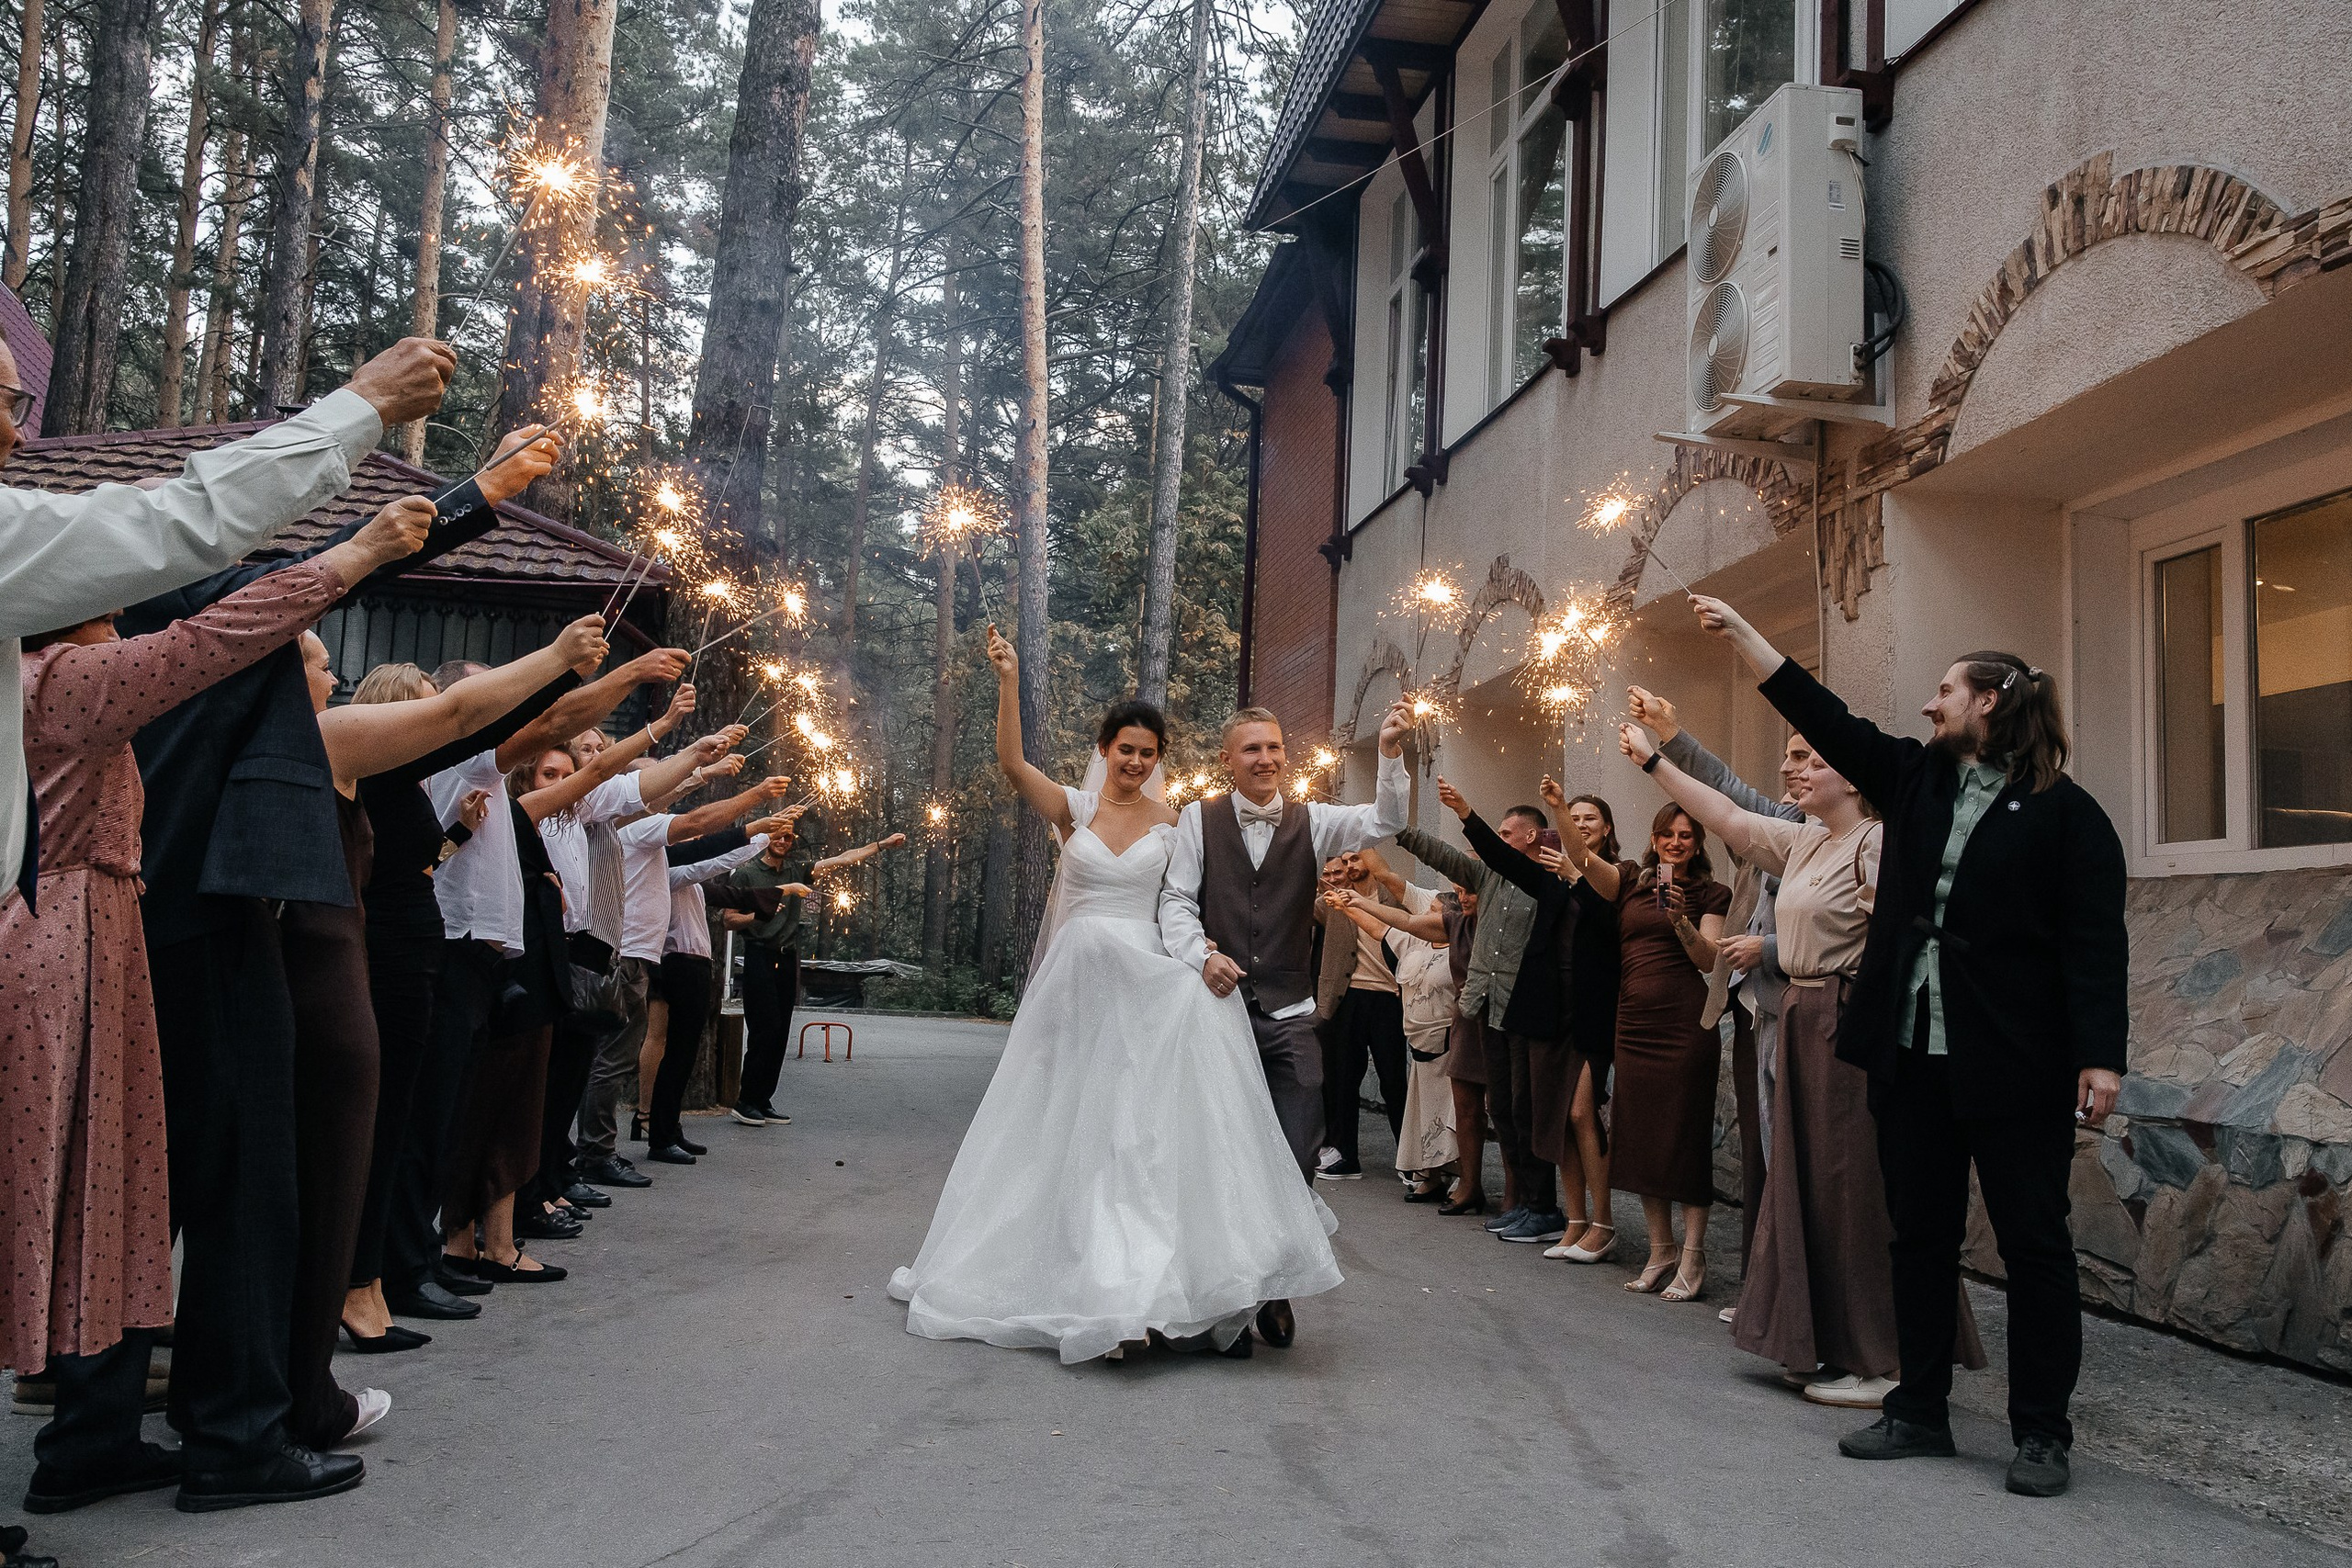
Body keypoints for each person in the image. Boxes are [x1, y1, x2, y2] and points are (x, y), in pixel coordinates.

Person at [2, 502, 433, 1521]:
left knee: (107, 1201)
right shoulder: (80, 671)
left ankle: (91, 1438)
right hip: (117, 942)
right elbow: (224, 623)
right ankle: (236, 1438)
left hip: (117, 933)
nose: (314, 678)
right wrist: (378, 540)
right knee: (238, 1181)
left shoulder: (58, 666)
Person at [1690, 592, 2127, 1498]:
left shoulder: (2067, 816)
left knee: (2033, 1247)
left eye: (1944, 691)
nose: (1929, 705)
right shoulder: (1915, 781)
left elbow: (2094, 943)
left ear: (1990, 704)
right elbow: (1823, 715)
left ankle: (2042, 1433)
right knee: (1917, 1238)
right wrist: (1743, 636)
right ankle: (1918, 1410)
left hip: (2014, 1066)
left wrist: (2099, 1055)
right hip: (1910, 1060)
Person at [889, 630, 1350, 1364]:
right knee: (1065, 1127)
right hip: (1078, 983)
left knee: (1138, 1134)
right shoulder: (1072, 809)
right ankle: (1077, 1274)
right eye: (1125, 749)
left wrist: (1215, 952)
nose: (1135, 762)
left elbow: (1194, 897)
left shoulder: (1178, 823)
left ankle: (1170, 1284)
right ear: (1104, 749)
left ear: (1158, 760)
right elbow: (1011, 765)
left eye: (1148, 753)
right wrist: (1010, 680)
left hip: (1146, 979)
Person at [0, 335, 456, 896]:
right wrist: (367, 404)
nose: (19, 434)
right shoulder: (68, 679)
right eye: (7, 401)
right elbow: (194, 552)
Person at [1157, 692, 1413, 1351]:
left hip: (1291, 1012)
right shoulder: (1197, 818)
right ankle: (1229, 1303)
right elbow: (1176, 901)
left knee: (1298, 1149)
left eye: (1274, 747)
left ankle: (1271, 1284)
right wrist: (1202, 954)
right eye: (1252, 748)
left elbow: (1385, 820)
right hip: (1216, 1013)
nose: (1266, 758)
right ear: (1227, 761)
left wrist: (1389, 755)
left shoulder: (1315, 820)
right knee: (1219, 1157)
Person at [1633, 685, 1803, 1312]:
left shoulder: (1836, 837)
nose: (1788, 773)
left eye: (1805, 759)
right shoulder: (1785, 827)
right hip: (1754, 1010)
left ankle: (1784, 1294)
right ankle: (1765, 1286)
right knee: (1762, 1154)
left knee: (1791, 1156)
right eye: (1788, 759)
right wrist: (1666, 747)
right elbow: (1727, 800)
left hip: (1803, 1012)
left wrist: (1770, 950)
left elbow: (1843, 932)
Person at [578, 760, 790, 1187]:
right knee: (611, 1060)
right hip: (630, 955)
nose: (667, 792)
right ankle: (595, 1152)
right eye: (656, 784)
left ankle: (607, 1147)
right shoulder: (635, 831)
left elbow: (701, 858)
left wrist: (761, 833)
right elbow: (698, 837)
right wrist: (757, 813)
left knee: (613, 1059)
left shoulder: (646, 842)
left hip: (641, 957)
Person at [1557, 797, 1729, 1302]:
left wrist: (1681, 920)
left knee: (1685, 1139)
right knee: (1642, 1138)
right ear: (1653, 839)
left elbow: (1707, 960)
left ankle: (1692, 1256)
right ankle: (1661, 1250)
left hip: (1685, 1026)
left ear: (1698, 844)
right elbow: (1582, 860)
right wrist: (1557, 808)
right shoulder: (1630, 880)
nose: (1676, 843)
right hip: (1632, 1026)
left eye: (1686, 836)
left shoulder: (1711, 892)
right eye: (1667, 835)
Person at [1396, 801, 1560, 1238]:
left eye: (1508, 833)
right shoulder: (1487, 877)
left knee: (1525, 1108)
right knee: (1502, 1108)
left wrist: (1469, 811)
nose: (1500, 839)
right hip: (1482, 1006)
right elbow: (1445, 856)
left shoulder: (1548, 878)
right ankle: (1524, 1204)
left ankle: (1535, 1202)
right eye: (1499, 832)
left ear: (1532, 836)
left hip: (1524, 1008)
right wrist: (1399, 828)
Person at [726, 818, 910, 1127]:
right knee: (764, 1028)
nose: (783, 841)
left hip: (787, 958)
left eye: (789, 837)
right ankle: (745, 1101)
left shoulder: (796, 870)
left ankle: (762, 1099)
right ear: (767, 837)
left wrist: (881, 844)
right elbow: (729, 920)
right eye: (778, 836)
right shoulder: (747, 873)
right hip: (760, 955)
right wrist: (760, 912)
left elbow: (843, 858)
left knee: (782, 1030)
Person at [642, 818, 806, 1163]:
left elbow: (729, 893)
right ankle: (658, 1135)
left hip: (695, 965)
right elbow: (718, 863)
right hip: (680, 964)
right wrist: (762, 835)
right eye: (693, 839)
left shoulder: (693, 883)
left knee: (683, 1055)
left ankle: (668, 1128)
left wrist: (780, 890)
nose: (699, 842)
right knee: (675, 1054)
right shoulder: (671, 873)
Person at [1324, 873, 1462, 1198]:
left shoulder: (1461, 948)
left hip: (1448, 1044)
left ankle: (1462, 1178)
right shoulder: (1417, 941)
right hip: (1420, 1044)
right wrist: (1347, 907)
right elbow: (1381, 930)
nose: (1424, 916)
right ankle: (1429, 1173)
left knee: (1453, 1113)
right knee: (1423, 1113)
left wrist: (1356, 901)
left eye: (1433, 911)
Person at [1310, 850, 1407, 1181]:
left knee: (1394, 1081)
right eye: (1346, 861)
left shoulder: (1395, 900)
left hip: (1388, 998)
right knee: (1342, 1081)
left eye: (1356, 859)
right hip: (1347, 998)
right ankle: (1346, 1156)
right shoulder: (1331, 902)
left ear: (1373, 859)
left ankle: (1409, 1161)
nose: (1350, 867)